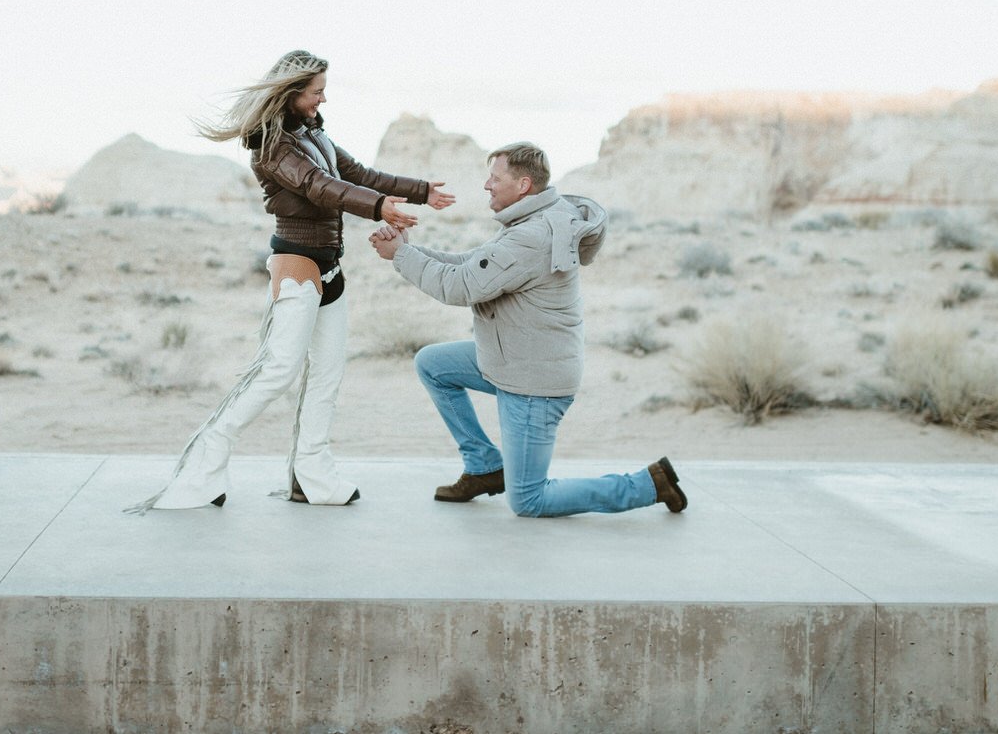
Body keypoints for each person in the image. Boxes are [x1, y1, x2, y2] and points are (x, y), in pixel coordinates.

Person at [126, 50, 455, 512]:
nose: (323, 98)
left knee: (326, 375)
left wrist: (420, 190)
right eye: (316, 91)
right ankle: (201, 470)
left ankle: (311, 476)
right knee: (276, 371)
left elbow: (355, 174)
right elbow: (320, 187)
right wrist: (380, 207)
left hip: (331, 266)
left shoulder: (310, 132)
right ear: (292, 91)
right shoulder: (274, 145)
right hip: (297, 266)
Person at [369, 142, 688, 518]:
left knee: (529, 500)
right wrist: (411, 249)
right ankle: (485, 467)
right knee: (432, 364)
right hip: (513, 360)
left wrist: (402, 257)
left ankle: (648, 484)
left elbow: (461, 287)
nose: (486, 185)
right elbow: (472, 266)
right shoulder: (532, 220)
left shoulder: (532, 236)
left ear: (523, 185)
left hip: (534, 383)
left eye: (495, 177)